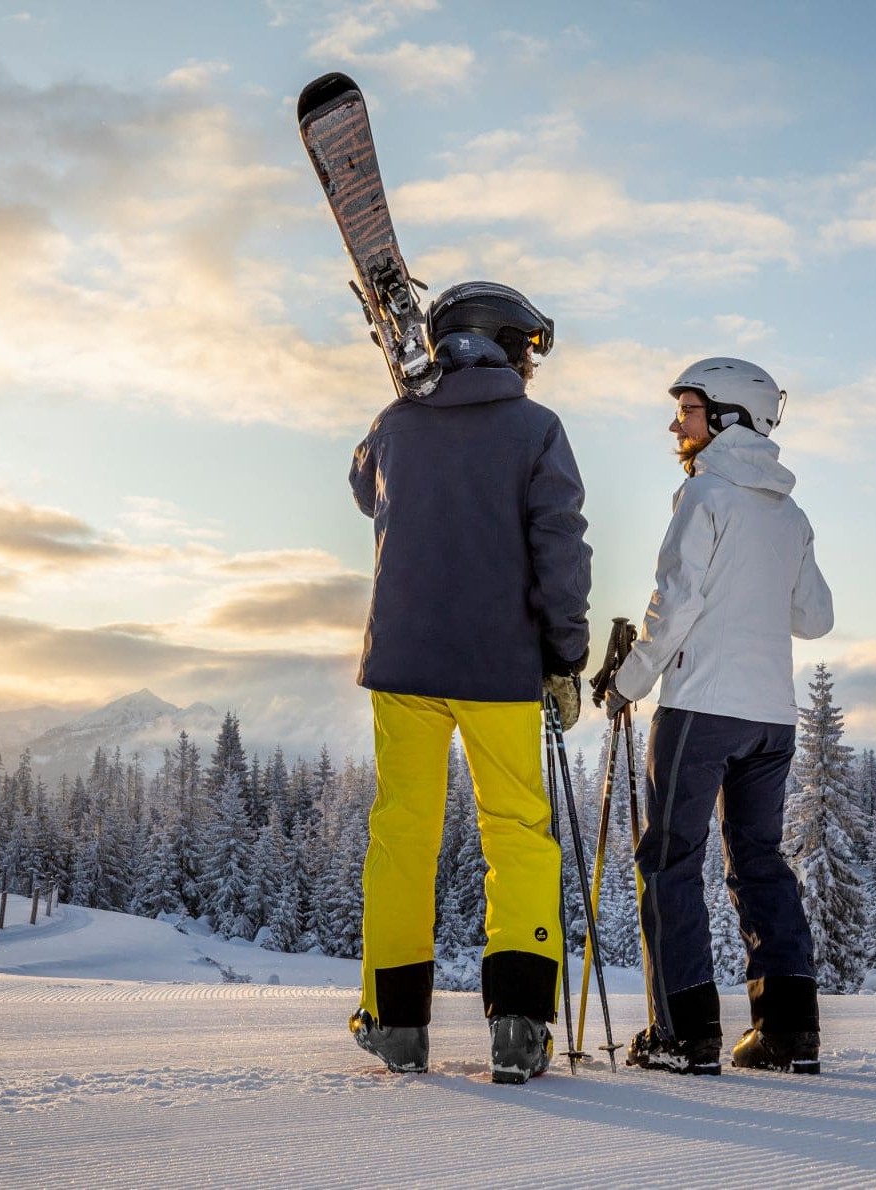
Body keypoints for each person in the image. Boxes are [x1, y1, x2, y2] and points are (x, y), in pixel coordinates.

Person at [347, 281, 592, 1085]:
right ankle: (519, 1028)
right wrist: (566, 657)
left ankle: (395, 1024)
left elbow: (362, 488)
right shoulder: (536, 429)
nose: (532, 365)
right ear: (505, 344)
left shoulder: (392, 425)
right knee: (517, 834)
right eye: (529, 348)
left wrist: (408, 404)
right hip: (501, 666)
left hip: (405, 662)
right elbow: (561, 551)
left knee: (403, 834)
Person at [594, 357, 833, 1075]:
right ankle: (789, 1034)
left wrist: (629, 681)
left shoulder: (704, 496)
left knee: (670, 860)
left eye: (689, 409)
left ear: (728, 417)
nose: (677, 423)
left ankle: (683, 1034)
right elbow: (814, 618)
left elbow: (675, 606)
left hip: (701, 706)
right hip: (771, 717)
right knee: (758, 861)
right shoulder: (788, 512)